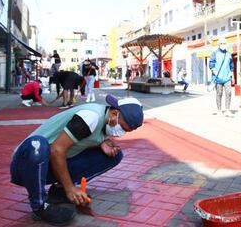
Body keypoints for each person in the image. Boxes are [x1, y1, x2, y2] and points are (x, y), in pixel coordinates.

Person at [10, 94, 144, 225]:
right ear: (115, 114)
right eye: (123, 128)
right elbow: (57, 149)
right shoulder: (91, 117)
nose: (121, 133)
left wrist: (100, 143)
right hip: (25, 167)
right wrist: (70, 188)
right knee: (37, 144)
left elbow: (80, 140)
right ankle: (39, 206)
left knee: (114, 156)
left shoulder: (106, 124)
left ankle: (59, 190)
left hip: (50, 165)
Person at [209, 37, 234, 117]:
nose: (223, 45)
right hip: (218, 77)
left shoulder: (229, 54)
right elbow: (211, 64)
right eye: (222, 43)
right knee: (219, 93)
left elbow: (231, 66)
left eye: (225, 43)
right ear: (219, 44)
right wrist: (214, 72)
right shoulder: (214, 53)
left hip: (227, 77)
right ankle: (219, 110)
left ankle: (227, 110)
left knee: (229, 92)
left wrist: (232, 76)